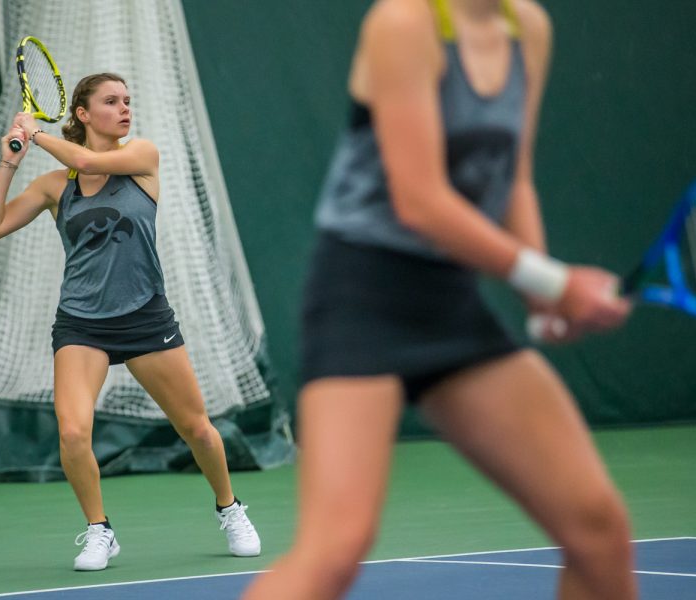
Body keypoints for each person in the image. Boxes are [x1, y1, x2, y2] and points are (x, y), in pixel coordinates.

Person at [243, 0, 636, 598]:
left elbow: (514, 176)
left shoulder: (528, 28)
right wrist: (557, 282)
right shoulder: (403, 24)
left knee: (597, 531)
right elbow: (419, 200)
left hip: (450, 299)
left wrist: (539, 294)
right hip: (361, 296)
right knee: (337, 547)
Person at [0, 72, 260, 571]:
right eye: (111, 101)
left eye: (127, 100)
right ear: (83, 114)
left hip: (146, 317)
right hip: (82, 324)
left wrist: (37, 135)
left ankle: (230, 508)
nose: (124, 108)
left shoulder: (142, 158)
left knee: (196, 429)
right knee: (72, 433)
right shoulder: (53, 188)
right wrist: (9, 161)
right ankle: (99, 530)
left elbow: (85, 158)